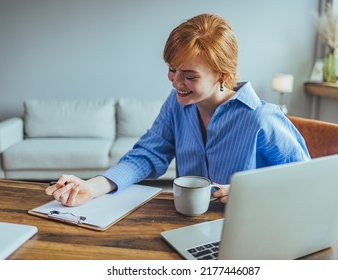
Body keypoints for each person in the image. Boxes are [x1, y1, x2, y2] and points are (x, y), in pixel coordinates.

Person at [46, 13, 310, 207]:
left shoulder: (261, 118)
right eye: (172, 69)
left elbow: (306, 182)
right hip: (186, 225)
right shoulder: (177, 105)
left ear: (222, 74)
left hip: (246, 230)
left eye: (189, 76)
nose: (175, 82)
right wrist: (91, 187)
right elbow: (147, 155)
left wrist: (254, 192)